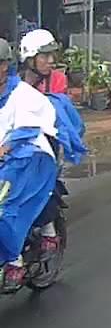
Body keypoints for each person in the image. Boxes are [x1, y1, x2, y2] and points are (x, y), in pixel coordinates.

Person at [0, 33, 62, 292]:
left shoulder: (23, 92)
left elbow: (28, 125)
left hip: (30, 152)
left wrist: (7, 146)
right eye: (44, 56)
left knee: (5, 205)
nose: (50, 61)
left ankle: (15, 259)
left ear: (6, 65)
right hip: (10, 156)